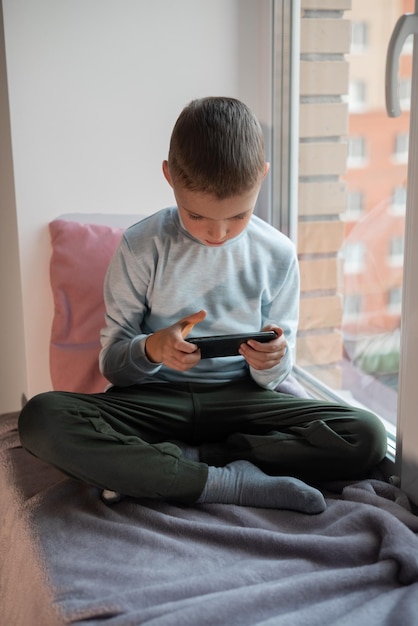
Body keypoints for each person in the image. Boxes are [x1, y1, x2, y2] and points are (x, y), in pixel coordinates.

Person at [18, 97, 387, 514]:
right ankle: (222, 481)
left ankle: (172, 465)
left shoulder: (278, 254)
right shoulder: (142, 246)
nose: (218, 233)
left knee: (367, 434)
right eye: (196, 216)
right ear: (169, 176)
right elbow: (113, 366)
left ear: (262, 178)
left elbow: (277, 374)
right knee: (41, 418)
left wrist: (272, 360)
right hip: (153, 402)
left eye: (238, 216)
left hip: (242, 404)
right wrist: (152, 349)